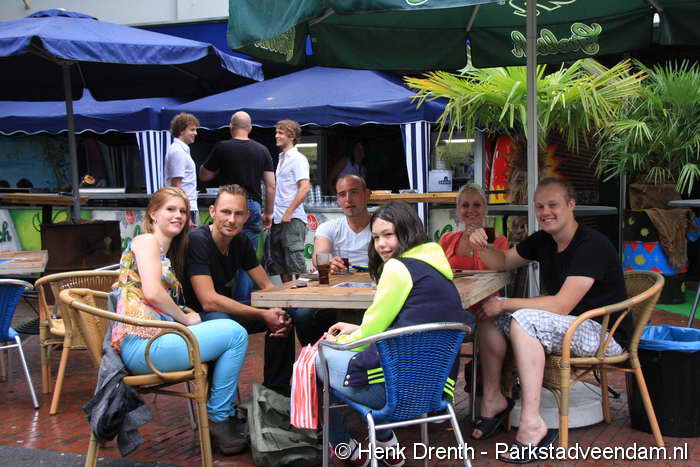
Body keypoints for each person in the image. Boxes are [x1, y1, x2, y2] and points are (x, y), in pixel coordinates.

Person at [467, 177, 630, 462]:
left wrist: (504, 304)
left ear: (571, 205)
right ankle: (493, 400)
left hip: (604, 333)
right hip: (565, 325)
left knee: (521, 319)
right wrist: (481, 246)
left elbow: (561, 305)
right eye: (540, 206)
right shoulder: (543, 239)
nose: (545, 212)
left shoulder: (592, 244)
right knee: (487, 315)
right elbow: (502, 261)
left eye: (553, 205)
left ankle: (533, 424)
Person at [318, 201, 469, 467]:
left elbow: (374, 330)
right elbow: (406, 325)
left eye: (388, 235)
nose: (381, 244)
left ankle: (344, 447)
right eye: (376, 237)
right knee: (357, 356)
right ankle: (386, 442)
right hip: (434, 391)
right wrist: (358, 330)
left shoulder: (398, 267)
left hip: (395, 392)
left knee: (315, 360)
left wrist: (338, 341)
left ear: (407, 231)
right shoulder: (435, 266)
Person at [111, 186, 249, 455]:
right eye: (170, 209)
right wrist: (184, 318)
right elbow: (152, 292)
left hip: (156, 341)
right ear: (153, 213)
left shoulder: (165, 251)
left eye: (183, 211)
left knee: (225, 329)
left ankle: (223, 415)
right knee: (235, 333)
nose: (178, 216)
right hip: (144, 347)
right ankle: (219, 418)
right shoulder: (146, 241)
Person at [182, 184, 295, 396]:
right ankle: (221, 404)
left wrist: (278, 309)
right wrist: (262, 314)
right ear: (213, 212)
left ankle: (275, 395)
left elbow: (267, 287)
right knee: (223, 322)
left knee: (282, 318)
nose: (232, 219)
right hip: (190, 317)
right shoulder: (198, 240)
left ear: (247, 217)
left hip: (219, 311)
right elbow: (208, 301)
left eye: (238, 213)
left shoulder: (240, 241)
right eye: (226, 212)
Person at [199, 111, 276, 301]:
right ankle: (242, 303)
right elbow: (271, 185)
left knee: (216, 252)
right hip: (251, 208)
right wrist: (268, 213)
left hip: (227, 206)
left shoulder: (222, 147)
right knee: (247, 258)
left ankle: (216, 297)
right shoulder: (262, 150)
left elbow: (205, 176)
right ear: (250, 128)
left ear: (230, 127)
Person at [289, 174, 372, 345]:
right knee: (302, 315)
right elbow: (319, 256)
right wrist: (328, 262)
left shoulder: (382, 225)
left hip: (375, 293)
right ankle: (314, 357)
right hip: (337, 295)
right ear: (338, 200)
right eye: (342, 194)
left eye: (354, 192)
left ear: (367, 194)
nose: (348, 199)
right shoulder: (329, 227)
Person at [271, 119, 310, 282]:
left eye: (280, 133)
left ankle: (301, 296)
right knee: (279, 263)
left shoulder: (298, 158)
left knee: (296, 263)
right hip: (278, 217)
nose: (276, 135)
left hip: (292, 218)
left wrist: (288, 212)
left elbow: (305, 188)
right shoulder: (282, 158)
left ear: (292, 136)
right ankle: (286, 296)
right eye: (276, 132)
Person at [440, 183, 508, 270]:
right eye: (465, 205)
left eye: (476, 205)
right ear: (458, 209)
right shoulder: (447, 239)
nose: (471, 210)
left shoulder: (499, 240)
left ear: (485, 208)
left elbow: (500, 272)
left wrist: (483, 243)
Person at [165, 112, 199, 225]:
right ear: (181, 131)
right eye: (192, 130)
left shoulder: (180, 150)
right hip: (185, 209)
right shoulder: (177, 151)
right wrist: (184, 215)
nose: (195, 133)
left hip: (187, 207)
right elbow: (176, 186)